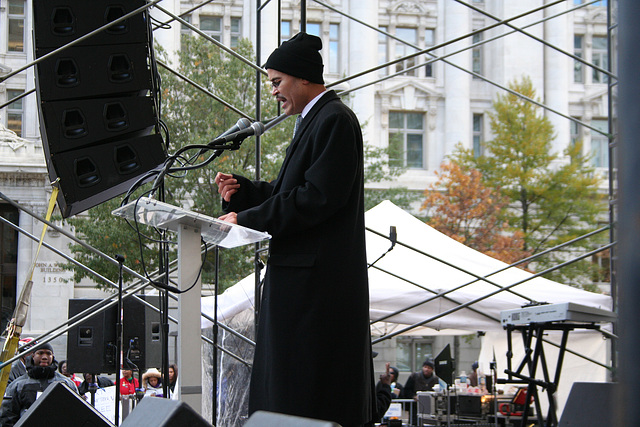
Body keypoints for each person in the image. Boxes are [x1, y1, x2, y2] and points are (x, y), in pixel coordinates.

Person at [215, 32, 373, 426]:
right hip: (302, 284)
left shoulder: (334, 119)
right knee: (287, 388)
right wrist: (245, 194)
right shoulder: (315, 120)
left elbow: (316, 197)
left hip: (315, 292)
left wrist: (246, 219)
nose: (273, 93)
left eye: (276, 82)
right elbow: (290, 192)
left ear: (302, 78)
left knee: (303, 392)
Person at [0, 343, 78, 426]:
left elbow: (76, 413)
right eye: (40, 353)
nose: (44, 357)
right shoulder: (18, 385)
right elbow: (8, 417)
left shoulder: (66, 384)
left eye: (48, 353)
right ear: (33, 356)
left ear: (53, 356)